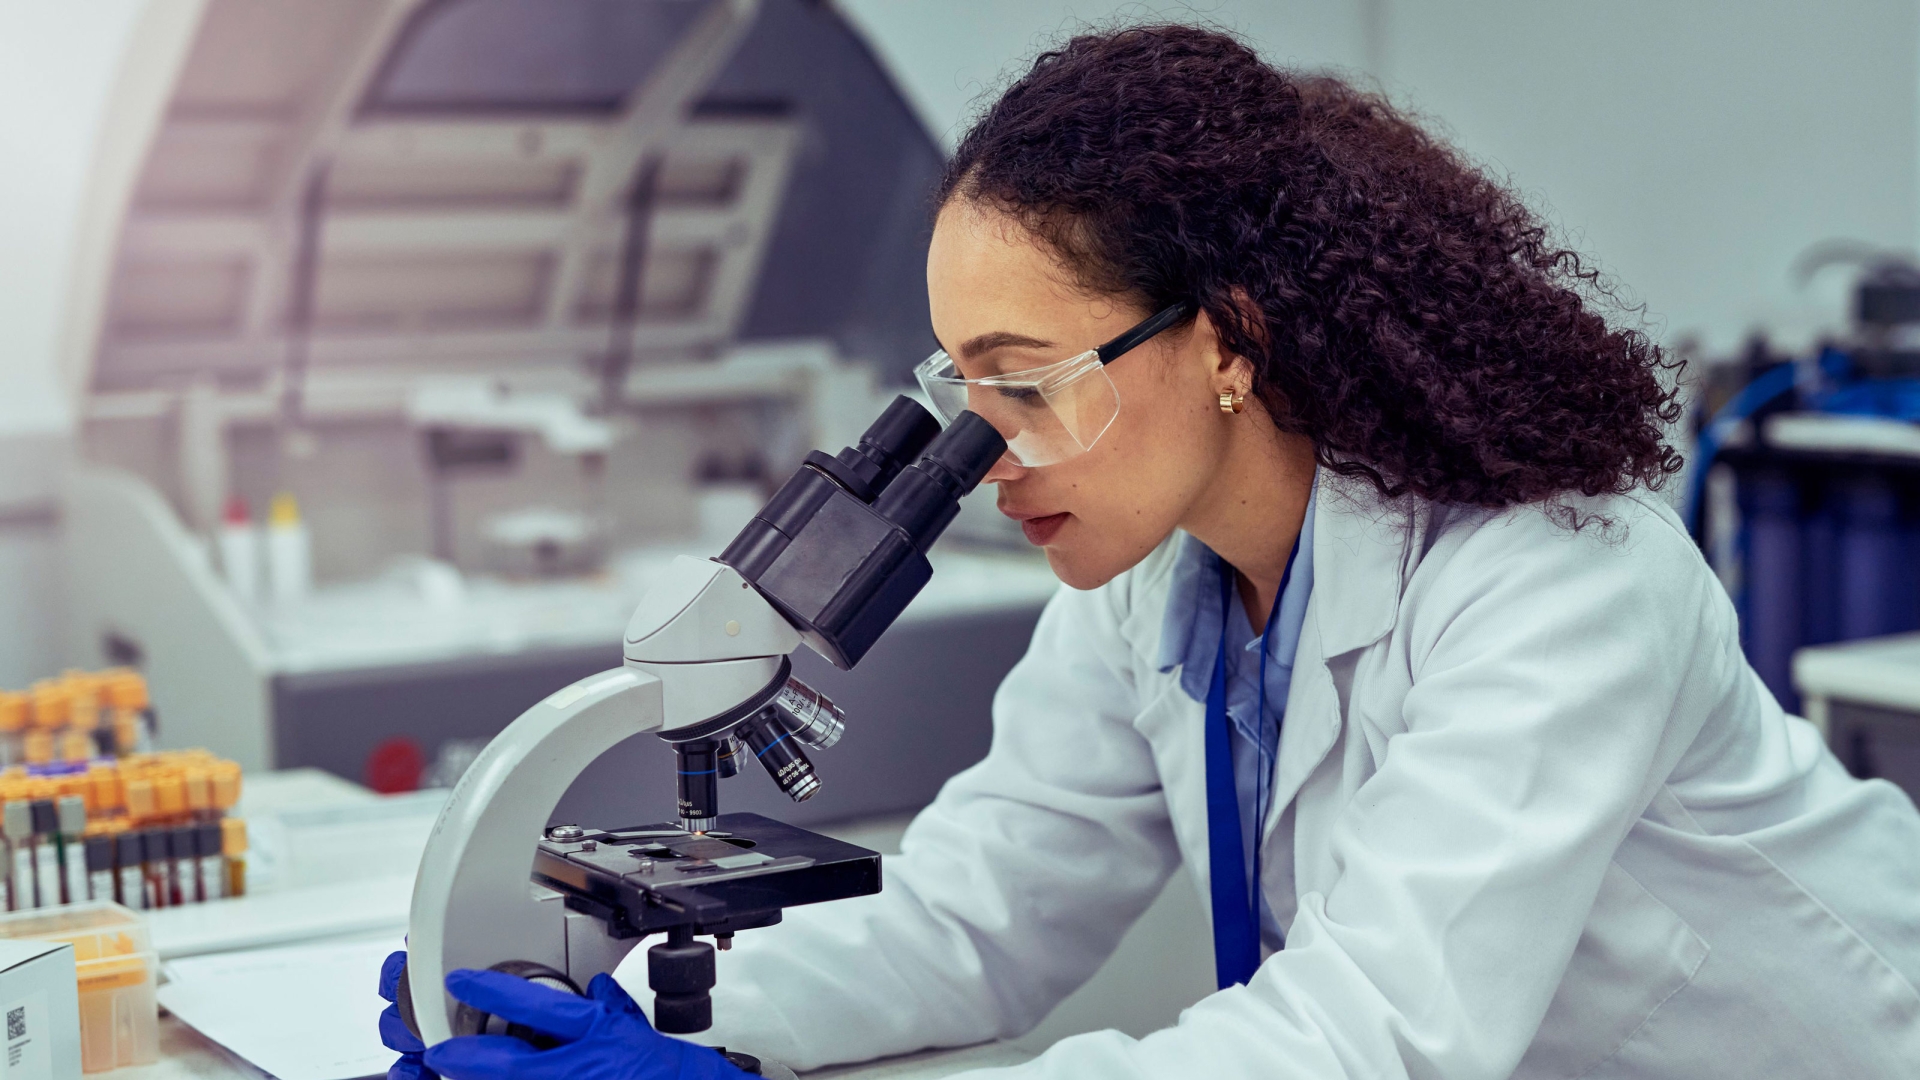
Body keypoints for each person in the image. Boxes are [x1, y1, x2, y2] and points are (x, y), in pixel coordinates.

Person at [382, 24, 1920, 1079]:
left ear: (1230, 339)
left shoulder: (1559, 582)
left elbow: (1361, 1035)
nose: (983, 456)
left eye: (1027, 379)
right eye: (958, 387)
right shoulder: (1157, 580)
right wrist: (656, 1021)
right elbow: (979, 916)